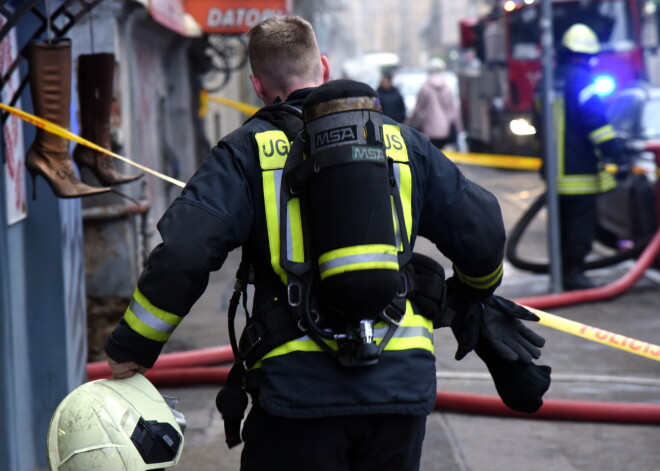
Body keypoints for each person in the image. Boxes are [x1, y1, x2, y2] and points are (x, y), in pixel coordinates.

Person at [104, 16, 548, 470]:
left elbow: (184, 252)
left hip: (299, 392)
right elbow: (484, 230)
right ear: (324, 65)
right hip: (399, 386)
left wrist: (133, 348)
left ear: (258, 86)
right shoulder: (401, 143)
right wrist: (474, 293)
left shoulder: (244, 152)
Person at [534, 23, 626, 291]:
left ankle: (562, 273)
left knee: (560, 224)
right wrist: (616, 154)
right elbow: (596, 124)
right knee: (580, 225)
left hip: (553, 168)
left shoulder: (547, 80)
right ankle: (573, 274)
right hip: (578, 169)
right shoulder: (583, 80)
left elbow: (537, 123)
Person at [407, 57, 461, 150]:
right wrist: (459, 128)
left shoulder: (425, 87)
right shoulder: (447, 88)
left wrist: (408, 123)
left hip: (430, 129)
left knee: (433, 154)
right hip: (445, 129)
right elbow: (454, 110)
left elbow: (418, 109)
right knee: (443, 155)